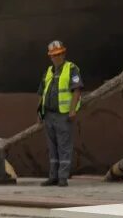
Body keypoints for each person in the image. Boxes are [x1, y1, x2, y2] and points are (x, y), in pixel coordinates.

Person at [37, 38, 82, 186]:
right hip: (49, 115)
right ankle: (53, 176)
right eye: (54, 55)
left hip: (63, 114)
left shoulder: (72, 69)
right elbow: (42, 93)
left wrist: (72, 110)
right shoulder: (48, 72)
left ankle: (63, 177)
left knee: (64, 146)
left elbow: (76, 90)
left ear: (64, 53)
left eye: (60, 54)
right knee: (52, 147)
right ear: (50, 56)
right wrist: (39, 113)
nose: (57, 57)